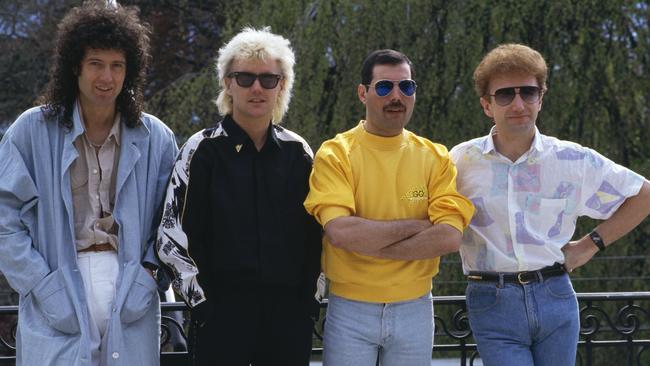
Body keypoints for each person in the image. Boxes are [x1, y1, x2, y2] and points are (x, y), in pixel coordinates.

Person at [450, 43, 650, 366]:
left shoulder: (572, 160)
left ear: (540, 98)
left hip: (556, 296)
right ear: (487, 105)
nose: (518, 103)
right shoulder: (461, 161)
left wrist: (590, 245)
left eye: (528, 92)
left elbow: (644, 195)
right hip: (492, 301)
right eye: (504, 95)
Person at [0, 2, 178, 365]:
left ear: (131, 71)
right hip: (58, 281)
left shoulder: (156, 137)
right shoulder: (30, 132)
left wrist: (151, 276)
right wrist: (40, 283)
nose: (107, 77)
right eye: (96, 63)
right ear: (75, 67)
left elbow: (172, 223)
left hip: (131, 287)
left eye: (117, 66)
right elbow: (4, 220)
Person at [156, 27, 322, 366]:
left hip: (288, 319)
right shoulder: (200, 150)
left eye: (268, 79)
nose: (257, 88)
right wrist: (202, 306)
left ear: (282, 86)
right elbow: (171, 237)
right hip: (220, 317)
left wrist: (309, 302)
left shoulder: (299, 152)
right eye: (245, 78)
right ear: (228, 84)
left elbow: (318, 235)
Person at [304, 49, 474, 366]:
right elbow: (340, 232)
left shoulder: (435, 156)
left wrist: (368, 244)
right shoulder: (335, 153)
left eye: (406, 87)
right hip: (350, 308)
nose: (396, 96)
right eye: (384, 87)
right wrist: (418, 225)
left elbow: (450, 237)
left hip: (415, 307)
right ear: (362, 93)